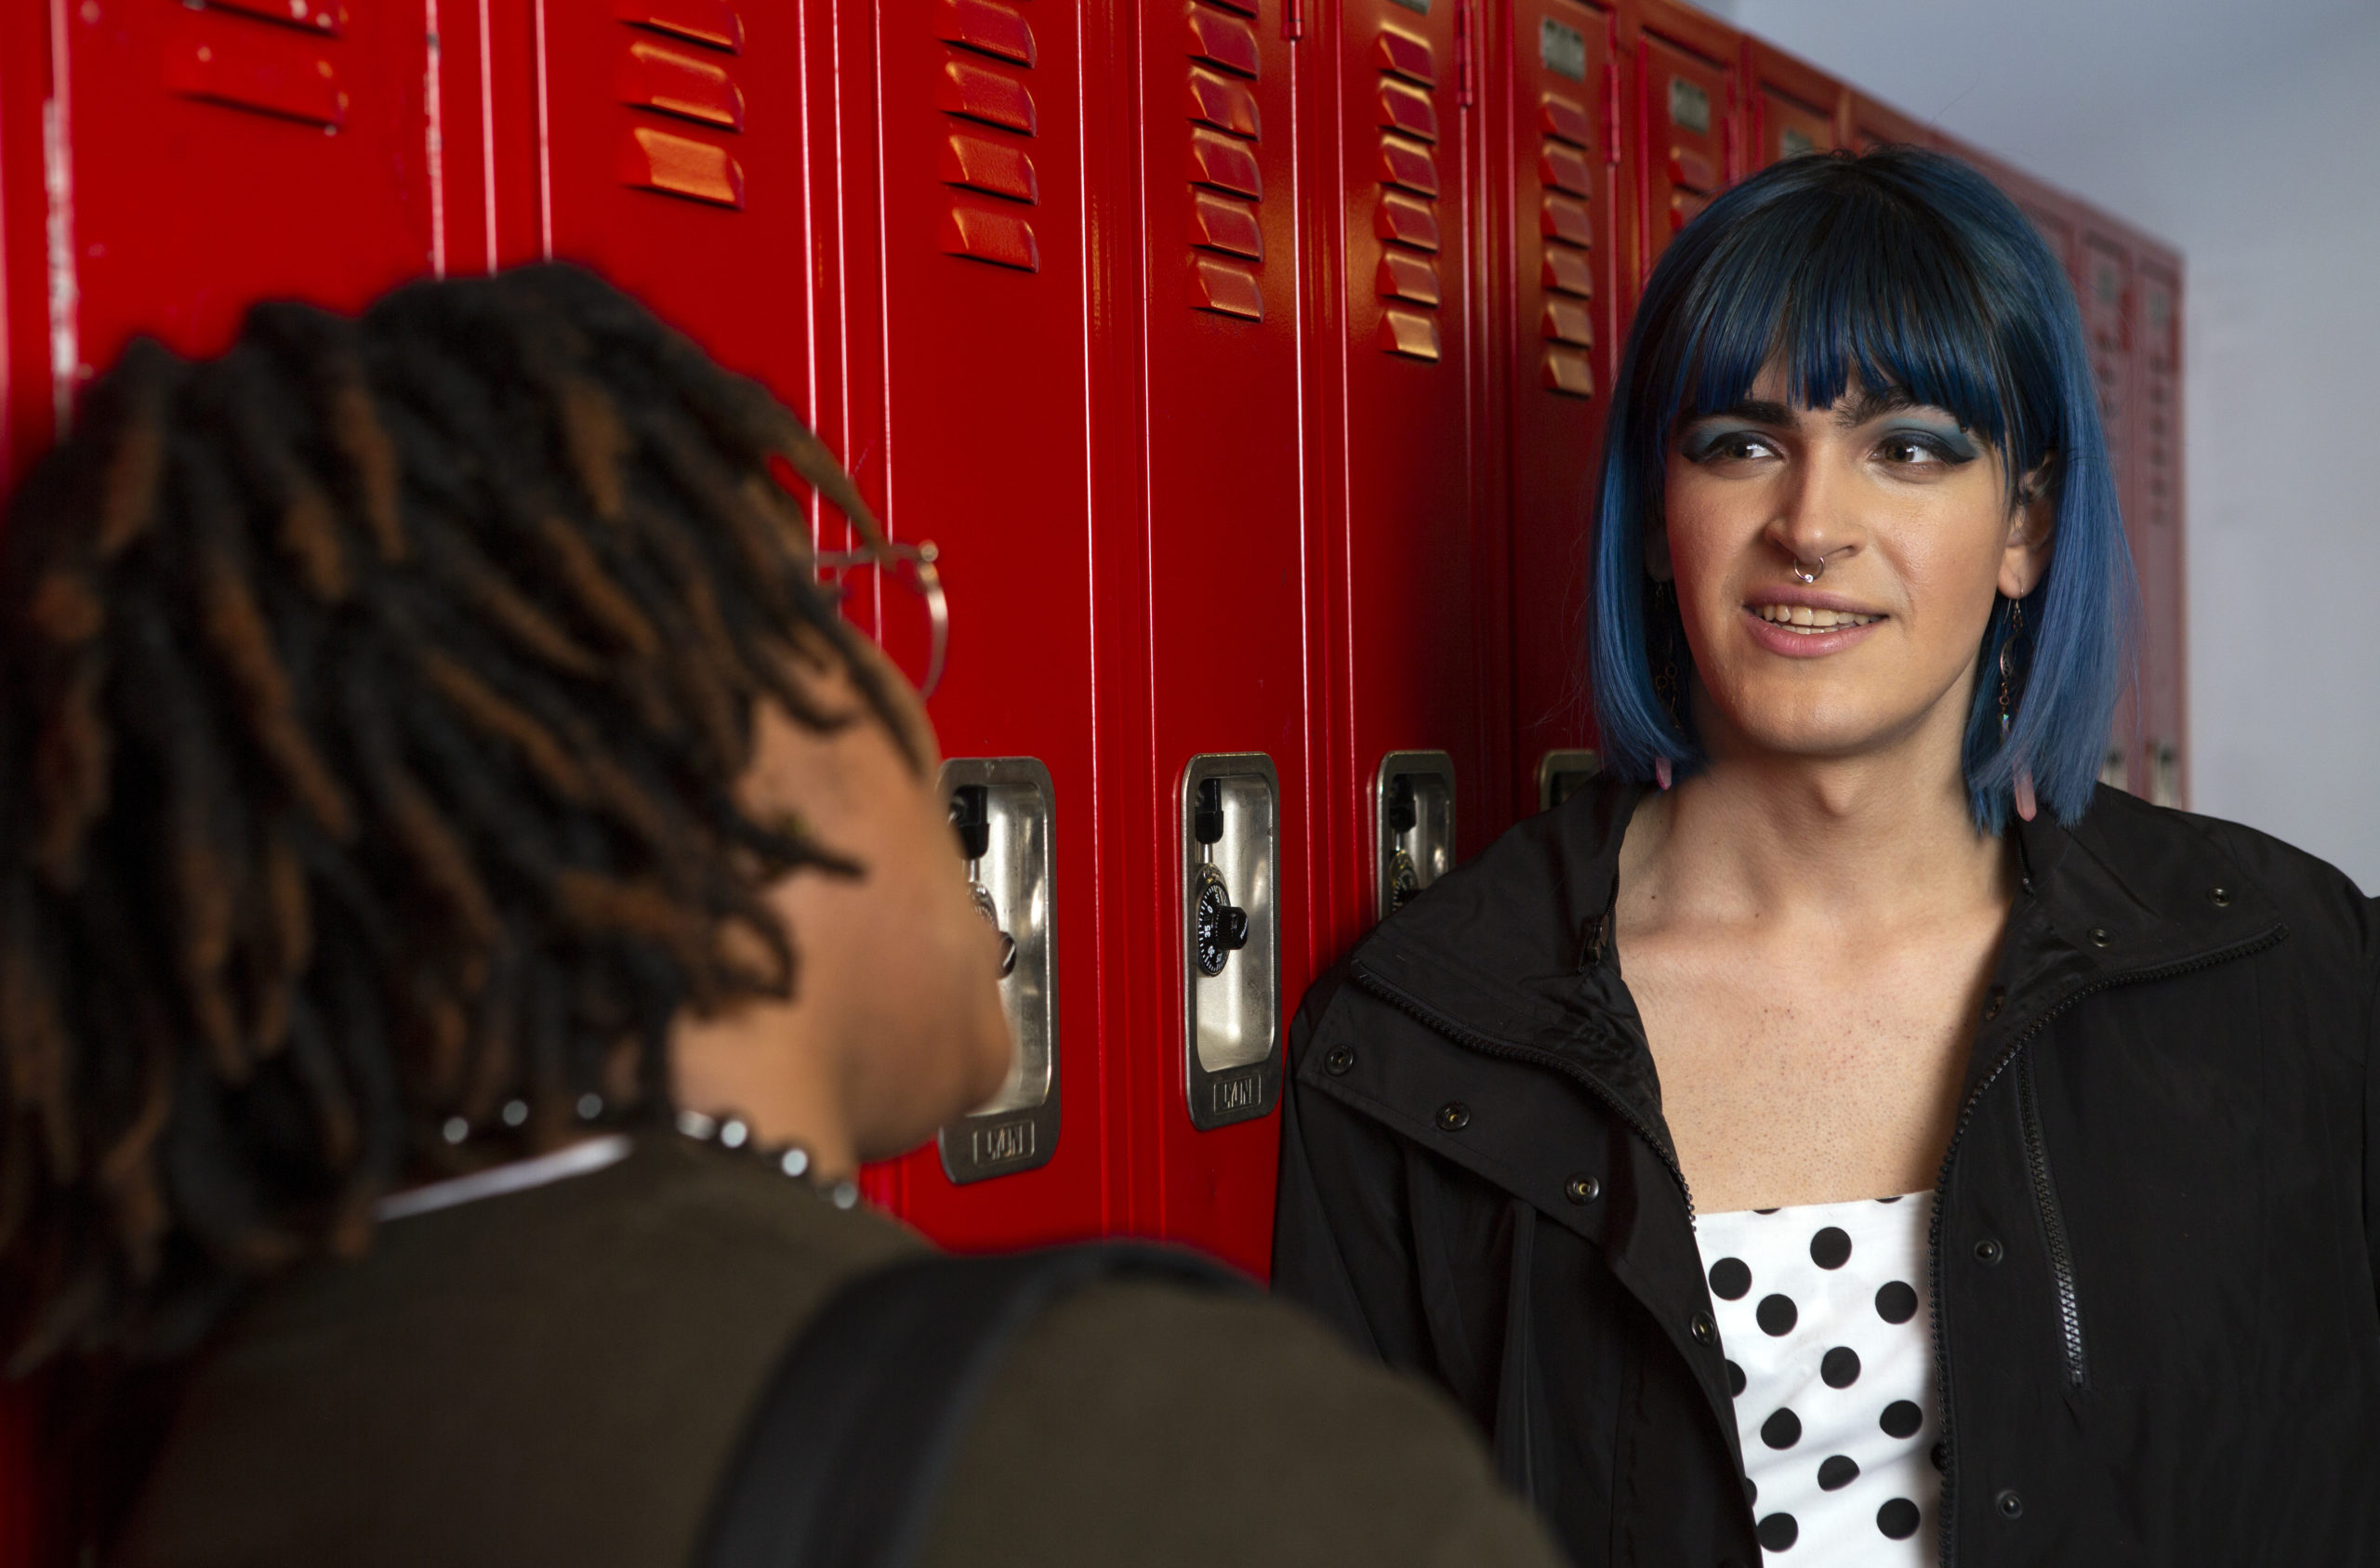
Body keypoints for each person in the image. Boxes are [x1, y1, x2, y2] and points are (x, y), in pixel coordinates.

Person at [0, 266, 1567, 1568]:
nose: (919, 711)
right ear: (731, 726)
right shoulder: (1153, 1450)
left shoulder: (223, 1447)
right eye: (842, 613)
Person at [1272, 147, 2380, 1567]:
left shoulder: (2291, 975)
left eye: (1909, 447)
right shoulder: (1427, 1048)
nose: (1810, 526)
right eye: (1739, 442)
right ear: (1662, 523)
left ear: (2026, 527)